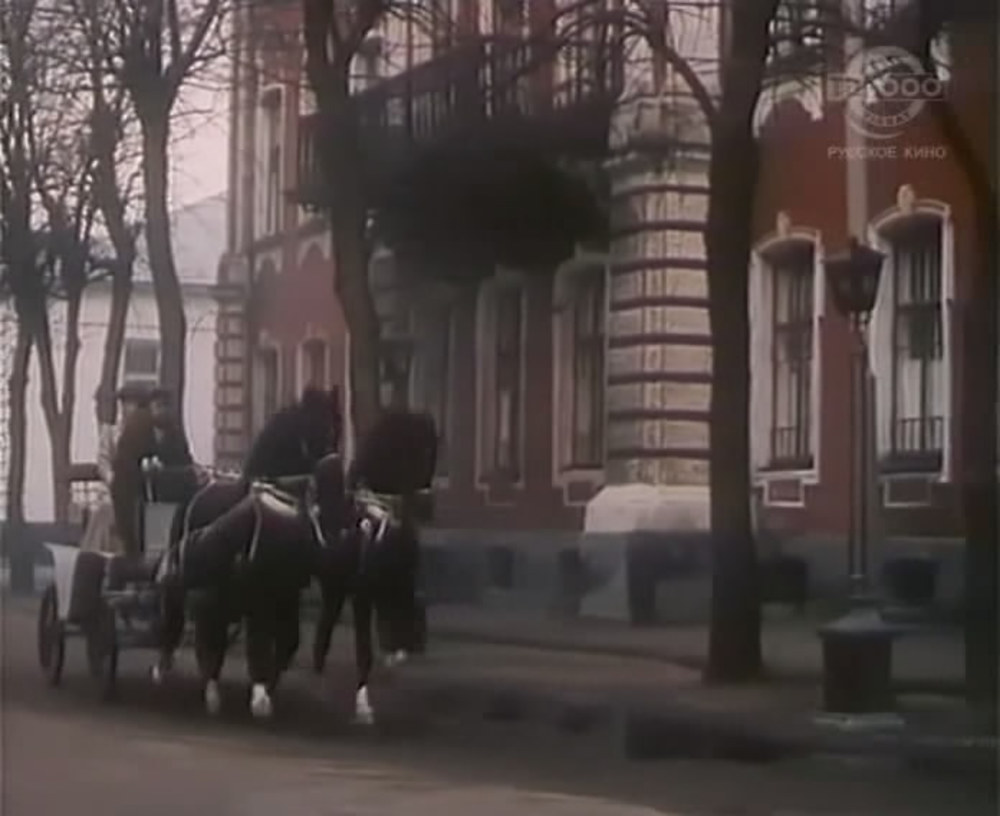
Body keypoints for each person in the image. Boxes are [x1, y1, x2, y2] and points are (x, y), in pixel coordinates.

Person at [80, 384, 151, 555]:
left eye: (133, 404)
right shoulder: (111, 433)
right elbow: (103, 461)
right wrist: (114, 480)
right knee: (104, 511)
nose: (128, 409)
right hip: (115, 489)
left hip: (140, 490)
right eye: (125, 403)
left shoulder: (148, 435)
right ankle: (92, 555)